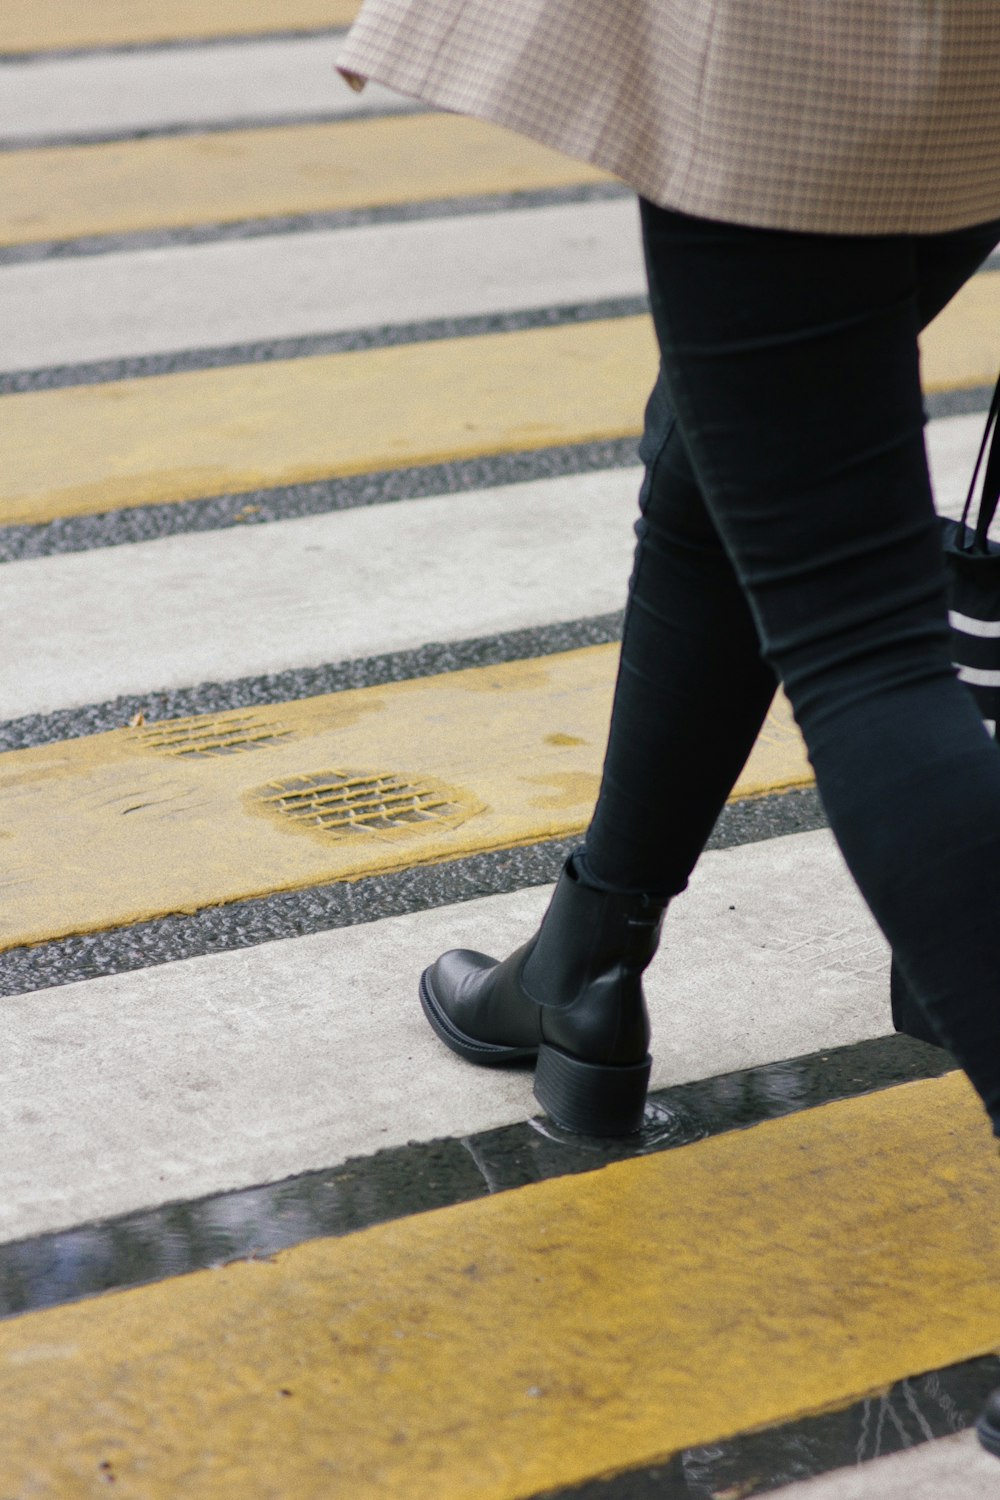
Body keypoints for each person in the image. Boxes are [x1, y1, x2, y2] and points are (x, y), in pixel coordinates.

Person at [337, 0, 1000, 1453]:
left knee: (862, 635)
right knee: (729, 430)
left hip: (826, 42)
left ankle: (590, 958)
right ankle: (587, 960)